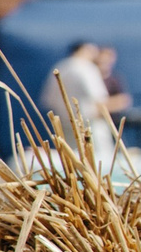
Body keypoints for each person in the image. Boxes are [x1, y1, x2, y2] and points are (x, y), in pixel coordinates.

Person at [40, 38, 118, 171]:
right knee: (102, 163)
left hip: (64, 123)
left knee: (71, 161)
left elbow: (48, 100)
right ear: (83, 50)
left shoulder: (60, 67)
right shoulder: (86, 68)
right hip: (89, 125)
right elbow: (99, 98)